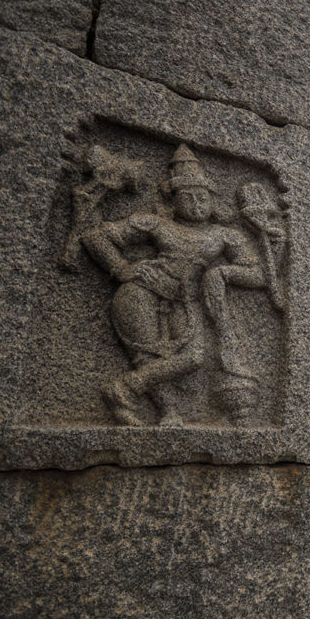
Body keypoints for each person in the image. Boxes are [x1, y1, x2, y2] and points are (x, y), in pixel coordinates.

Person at [83, 144, 264, 426]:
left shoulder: (223, 235)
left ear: (212, 199)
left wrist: (224, 273)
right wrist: (123, 268)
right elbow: (96, 237)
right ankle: (167, 413)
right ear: (173, 199)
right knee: (147, 355)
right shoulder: (155, 224)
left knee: (194, 357)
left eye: (202, 197)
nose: (196, 203)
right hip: (141, 292)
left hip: (185, 298)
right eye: (188, 196)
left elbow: (257, 272)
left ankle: (124, 389)